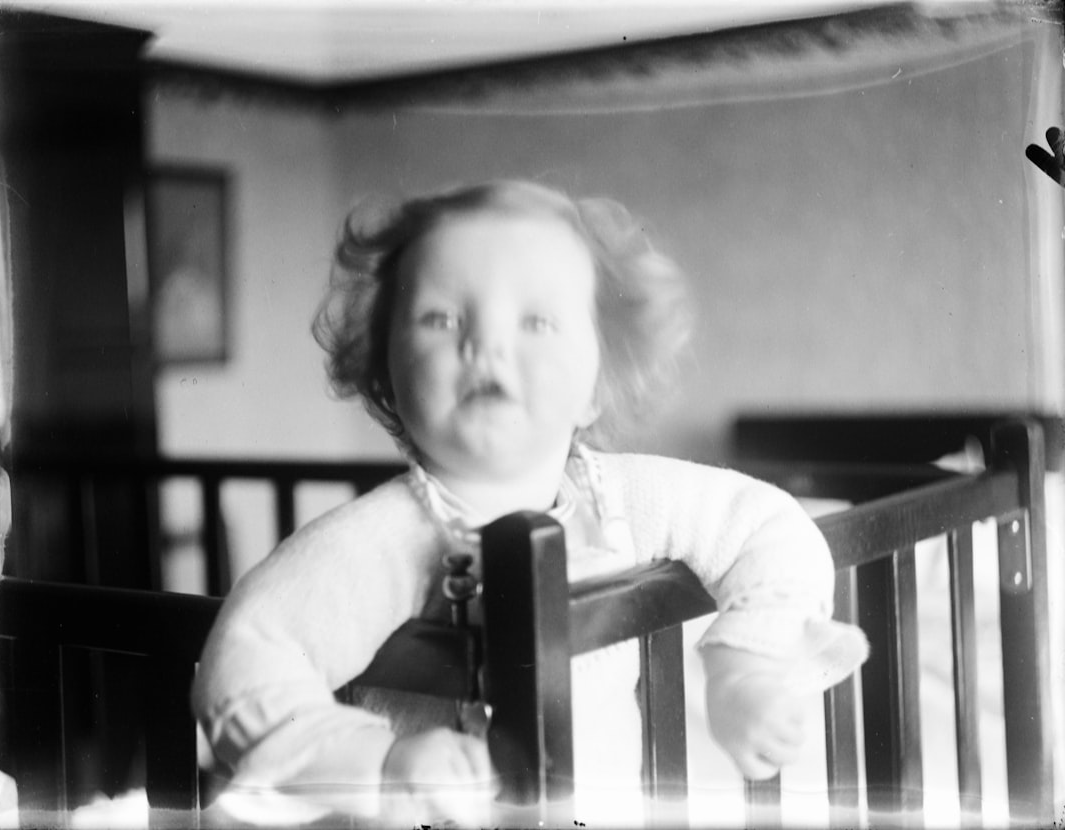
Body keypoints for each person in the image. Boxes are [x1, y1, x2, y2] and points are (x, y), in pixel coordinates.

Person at [192, 179, 868, 827]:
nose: (485, 344)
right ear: (386, 379)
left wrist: (745, 663)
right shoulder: (386, 539)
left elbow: (769, 529)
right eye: (440, 317)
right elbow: (249, 654)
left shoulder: (626, 497)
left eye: (537, 320)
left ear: (596, 387)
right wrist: (382, 762)